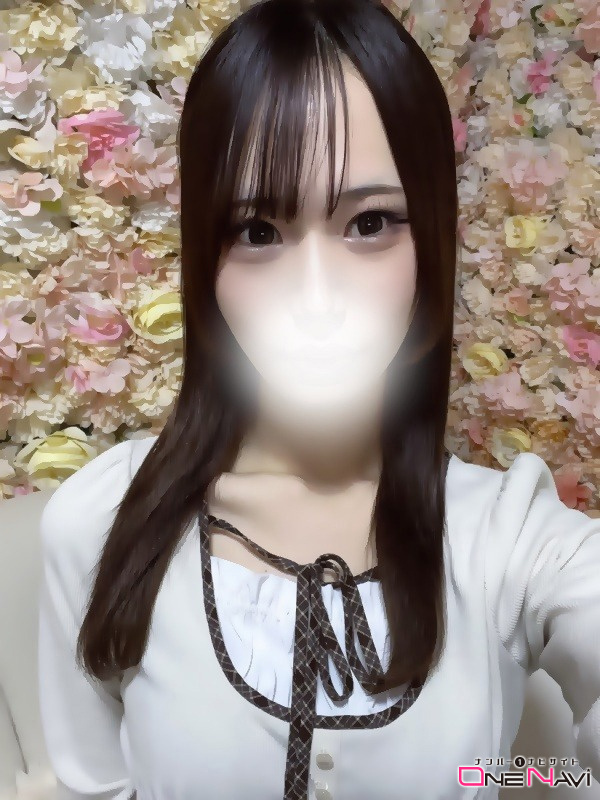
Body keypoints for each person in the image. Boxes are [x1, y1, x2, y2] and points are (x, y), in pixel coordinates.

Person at [37, 1, 600, 798]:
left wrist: (541, 781)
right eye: (258, 231)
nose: (316, 294)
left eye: (370, 223)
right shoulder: (101, 523)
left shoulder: (508, 539)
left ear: (431, 239)